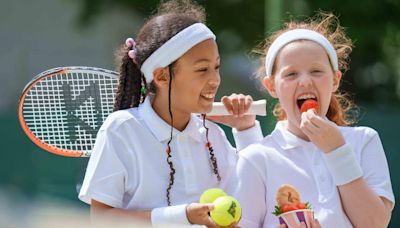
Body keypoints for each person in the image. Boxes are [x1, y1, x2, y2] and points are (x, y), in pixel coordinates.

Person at [78, 0, 263, 227]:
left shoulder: (212, 134)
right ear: (162, 77)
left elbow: (257, 196)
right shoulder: (121, 129)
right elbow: (102, 220)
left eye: (216, 67)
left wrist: (246, 129)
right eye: (202, 69)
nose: (215, 80)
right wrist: (182, 216)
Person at [227, 13, 395, 228]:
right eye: (291, 74)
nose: (305, 81)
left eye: (316, 71)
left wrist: (337, 151)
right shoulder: (256, 157)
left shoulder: (364, 140)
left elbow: (374, 223)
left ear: (335, 80)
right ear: (271, 87)